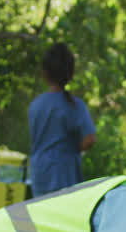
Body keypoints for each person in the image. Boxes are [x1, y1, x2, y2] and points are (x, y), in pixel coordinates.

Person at [27, 42, 96, 196]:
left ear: (44, 73)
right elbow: (90, 138)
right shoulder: (74, 105)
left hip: (39, 173)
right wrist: (75, 149)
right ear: (70, 74)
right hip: (65, 173)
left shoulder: (35, 105)